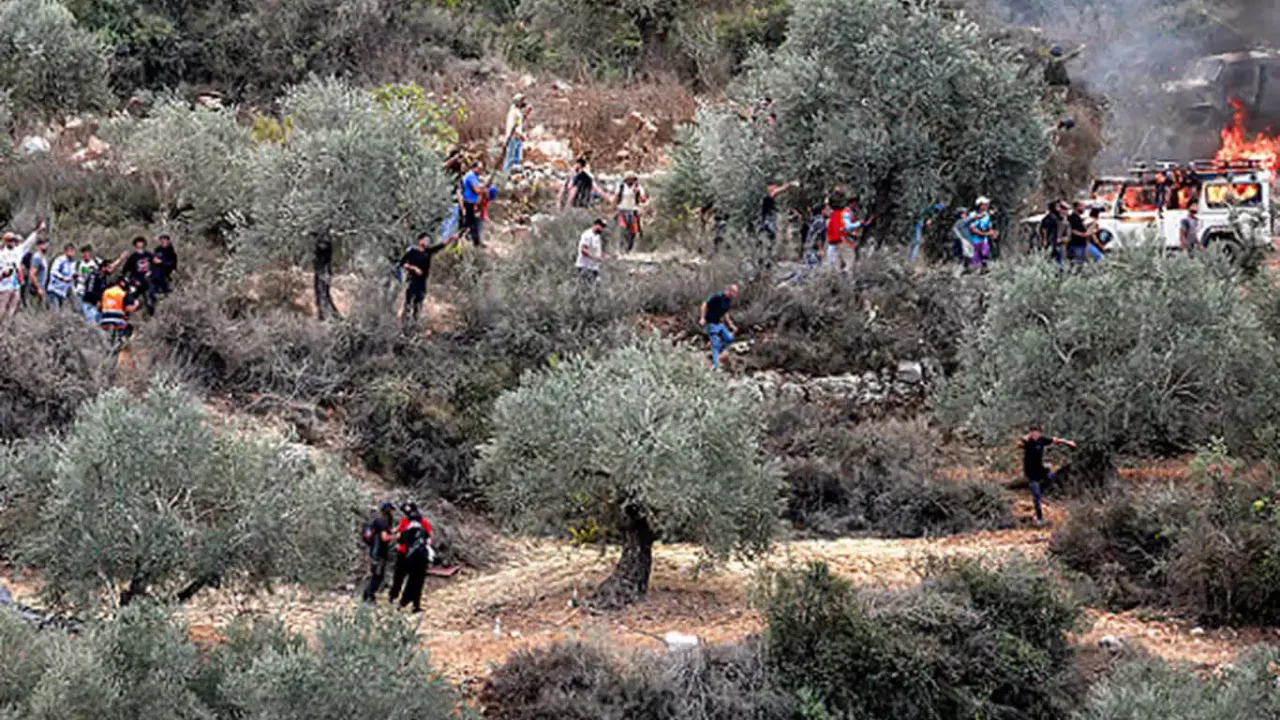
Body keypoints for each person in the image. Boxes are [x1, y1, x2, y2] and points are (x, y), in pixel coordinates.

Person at [1018, 426, 1076, 525]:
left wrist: (1068, 442)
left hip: (1041, 470)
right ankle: (1040, 519)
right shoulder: (1028, 442)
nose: (1035, 435)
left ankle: (1044, 494)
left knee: (1052, 476)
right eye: (1033, 433)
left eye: (1037, 433)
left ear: (1039, 433)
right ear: (1031, 433)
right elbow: (1019, 444)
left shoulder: (1042, 440)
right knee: (1036, 497)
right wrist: (1025, 438)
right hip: (1031, 473)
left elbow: (1055, 440)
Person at [400, 230, 457, 323]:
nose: (427, 242)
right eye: (425, 240)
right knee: (408, 304)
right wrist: (413, 268)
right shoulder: (412, 252)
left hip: (422, 283)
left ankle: (415, 325)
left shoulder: (428, 252)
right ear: (420, 241)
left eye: (428, 241)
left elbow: (442, 245)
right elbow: (402, 263)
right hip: (412, 281)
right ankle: (404, 324)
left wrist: (452, 238)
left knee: (418, 305)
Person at [388, 502, 432, 607]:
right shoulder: (405, 522)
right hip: (407, 554)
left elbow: (399, 536)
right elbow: (429, 538)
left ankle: (407, 601)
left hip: (407, 553)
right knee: (403, 578)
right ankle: (397, 598)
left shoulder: (421, 522)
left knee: (409, 579)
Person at [0, 224, 42, 317]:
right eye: (10, 240)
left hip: (15, 285)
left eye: (13, 240)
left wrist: (37, 231)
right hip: (4, 286)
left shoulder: (18, 251)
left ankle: (6, 329)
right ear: (5, 241)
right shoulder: (1, 254)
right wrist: (3, 273)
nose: (12, 242)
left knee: (11, 311)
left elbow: (28, 243)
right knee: (2, 310)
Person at [362, 502, 397, 604]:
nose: (393, 513)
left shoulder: (379, 521)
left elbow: (388, 531)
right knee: (378, 575)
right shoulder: (383, 523)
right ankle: (369, 596)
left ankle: (368, 595)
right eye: (391, 511)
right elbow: (385, 538)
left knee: (376, 575)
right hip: (379, 554)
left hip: (375, 552)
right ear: (388, 511)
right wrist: (397, 537)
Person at [700, 284, 739, 370]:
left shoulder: (728, 301)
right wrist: (702, 318)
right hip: (711, 323)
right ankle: (715, 365)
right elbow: (704, 304)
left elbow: (725, 314)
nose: (735, 295)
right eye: (734, 292)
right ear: (729, 291)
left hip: (719, 324)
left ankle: (715, 352)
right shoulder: (718, 297)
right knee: (716, 344)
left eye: (736, 293)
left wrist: (731, 325)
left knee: (729, 338)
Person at [99, 276, 140, 350]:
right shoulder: (123, 294)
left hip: (104, 321)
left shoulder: (106, 292)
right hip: (118, 322)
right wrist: (136, 305)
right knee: (129, 329)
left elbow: (100, 306)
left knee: (108, 341)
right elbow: (128, 309)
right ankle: (123, 346)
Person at [824, 197, 863, 270]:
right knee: (850, 261)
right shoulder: (845, 213)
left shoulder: (835, 215)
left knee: (837, 262)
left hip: (836, 241)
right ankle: (846, 277)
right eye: (855, 203)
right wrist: (859, 223)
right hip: (843, 240)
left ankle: (838, 276)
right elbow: (846, 227)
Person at [759, 180, 799, 246]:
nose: (775, 188)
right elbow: (777, 191)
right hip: (768, 224)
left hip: (769, 224)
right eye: (774, 186)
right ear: (770, 187)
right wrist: (791, 184)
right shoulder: (767, 197)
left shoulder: (770, 200)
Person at [615, 173, 647, 254]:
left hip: (633, 210)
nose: (630, 181)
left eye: (632, 179)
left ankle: (629, 248)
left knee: (633, 232)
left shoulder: (638, 187)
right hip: (622, 209)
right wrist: (613, 207)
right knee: (623, 230)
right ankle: (622, 248)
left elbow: (643, 200)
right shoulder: (621, 187)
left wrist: (638, 193)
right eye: (629, 179)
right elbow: (616, 197)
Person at [74, 245, 103, 324]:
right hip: (81, 290)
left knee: (93, 311)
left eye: (87, 252)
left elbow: (106, 269)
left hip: (92, 292)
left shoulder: (96, 262)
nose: (85, 255)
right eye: (83, 253)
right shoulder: (78, 264)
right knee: (81, 311)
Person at [966, 197, 997, 271]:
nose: (986, 206)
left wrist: (992, 233)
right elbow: (972, 229)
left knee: (985, 255)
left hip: (984, 240)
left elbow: (989, 226)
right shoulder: (972, 215)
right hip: (974, 241)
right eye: (985, 204)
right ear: (980, 205)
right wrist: (986, 234)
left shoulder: (987, 216)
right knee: (975, 261)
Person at [461, 160, 486, 247]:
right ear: (474, 167)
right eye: (479, 168)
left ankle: (476, 241)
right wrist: (483, 190)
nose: (480, 170)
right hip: (469, 202)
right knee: (471, 223)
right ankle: (472, 242)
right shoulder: (471, 176)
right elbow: (476, 190)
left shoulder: (474, 176)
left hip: (472, 202)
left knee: (473, 223)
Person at [503, 94, 529, 174]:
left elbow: (518, 124)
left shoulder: (518, 112)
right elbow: (512, 127)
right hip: (513, 138)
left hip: (518, 139)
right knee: (510, 158)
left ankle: (515, 175)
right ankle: (506, 175)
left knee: (517, 159)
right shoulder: (513, 112)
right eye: (522, 101)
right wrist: (519, 135)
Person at [576, 218, 606, 284]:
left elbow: (595, 250)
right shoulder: (587, 235)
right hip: (585, 267)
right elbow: (583, 251)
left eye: (603, 227)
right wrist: (595, 257)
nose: (602, 229)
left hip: (594, 267)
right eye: (601, 226)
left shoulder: (597, 236)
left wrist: (602, 256)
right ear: (595, 225)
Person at [47, 243, 77, 309]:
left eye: (73, 251)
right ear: (65, 251)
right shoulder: (60, 260)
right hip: (54, 290)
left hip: (63, 292)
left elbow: (72, 276)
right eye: (71, 250)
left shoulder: (72, 263)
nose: (72, 253)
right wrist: (62, 278)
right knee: (55, 312)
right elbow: (53, 271)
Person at [150, 234, 178, 299]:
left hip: (166, 275)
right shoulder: (157, 250)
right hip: (155, 276)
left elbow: (172, 265)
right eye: (162, 241)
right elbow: (152, 261)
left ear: (168, 241)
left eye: (165, 241)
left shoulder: (171, 252)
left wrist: (161, 262)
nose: (164, 242)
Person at [25, 238, 49, 309]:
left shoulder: (43, 258)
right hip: (34, 289)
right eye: (43, 244)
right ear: (38, 246)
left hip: (40, 288)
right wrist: (38, 288)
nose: (45, 246)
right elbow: (32, 274)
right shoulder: (37, 258)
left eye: (46, 244)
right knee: (32, 311)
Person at [1066, 201, 1090, 265]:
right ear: (1077, 207)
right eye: (1083, 206)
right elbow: (1072, 231)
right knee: (1077, 264)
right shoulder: (1072, 218)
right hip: (1076, 245)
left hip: (1081, 245)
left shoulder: (1079, 218)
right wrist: (1083, 235)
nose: (1084, 208)